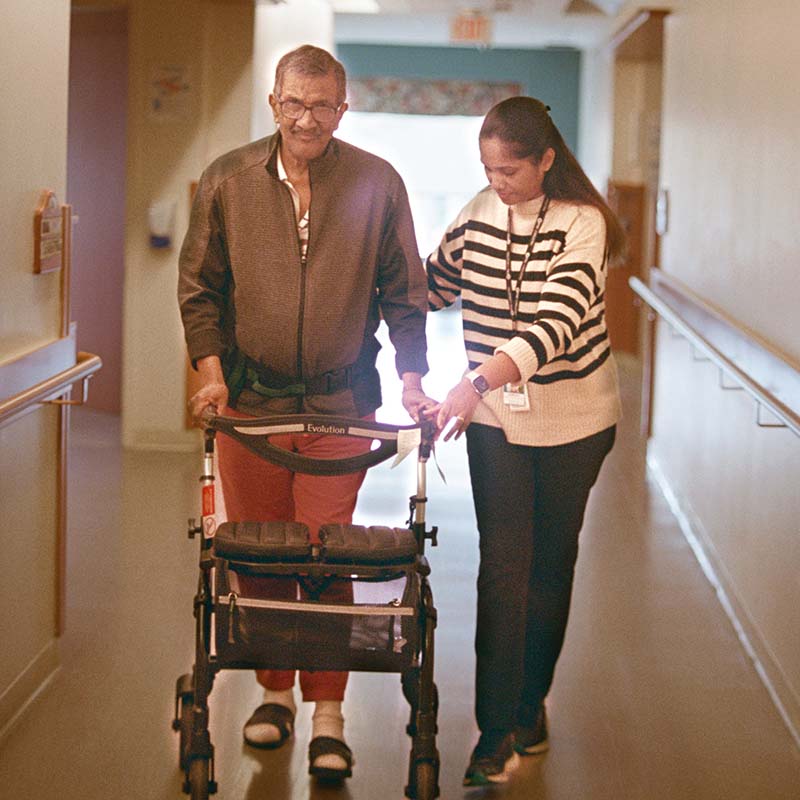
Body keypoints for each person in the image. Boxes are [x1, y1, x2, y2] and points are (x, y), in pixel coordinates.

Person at [178, 44, 433, 782]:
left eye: (322, 105)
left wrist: (413, 379)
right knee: (259, 553)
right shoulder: (229, 178)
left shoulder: (377, 183)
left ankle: (329, 714)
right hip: (250, 402)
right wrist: (213, 376)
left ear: (343, 108)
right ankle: (276, 696)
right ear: (274, 104)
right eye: (294, 103)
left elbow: (403, 294)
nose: (307, 119)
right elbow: (200, 289)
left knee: (325, 553)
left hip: (340, 402)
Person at [425, 96, 625, 787]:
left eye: (510, 170)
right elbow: (432, 285)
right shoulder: (478, 213)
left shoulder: (583, 223)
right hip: (499, 422)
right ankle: (493, 734)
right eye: (488, 169)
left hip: (575, 420)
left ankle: (529, 703)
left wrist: (471, 382)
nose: (498, 183)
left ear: (546, 159)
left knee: (550, 567)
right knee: (503, 568)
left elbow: (557, 324)